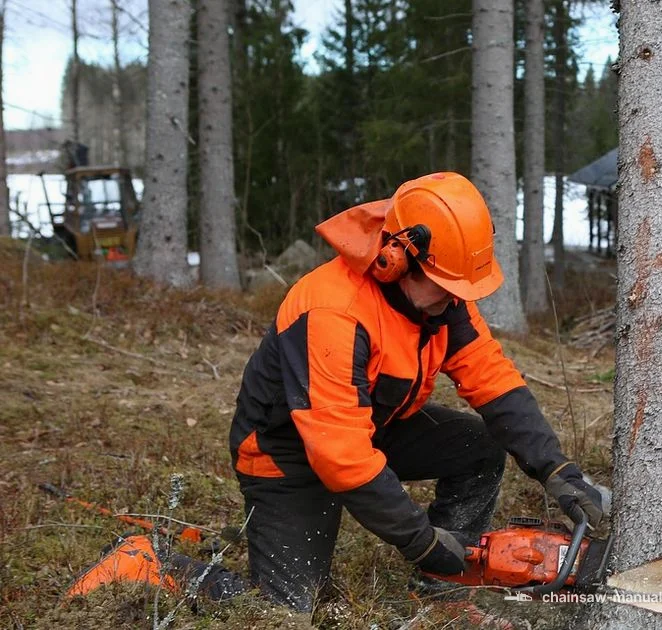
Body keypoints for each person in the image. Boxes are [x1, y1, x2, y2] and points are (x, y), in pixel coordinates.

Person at [67, 172, 605, 611]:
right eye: (443, 287)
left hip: (370, 428)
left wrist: (555, 469)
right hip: (287, 455)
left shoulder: (442, 304)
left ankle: (444, 581)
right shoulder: (334, 311)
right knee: (283, 609)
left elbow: (493, 379)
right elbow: (340, 456)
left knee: (479, 443)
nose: (453, 300)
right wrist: (417, 539)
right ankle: (148, 559)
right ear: (398, 259)